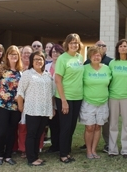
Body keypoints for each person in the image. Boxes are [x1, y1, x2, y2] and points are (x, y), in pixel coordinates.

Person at [17, 51, 55, 166]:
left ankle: (36, 156)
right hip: (32, 110)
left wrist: (52, 107)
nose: (39, 61)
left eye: (41, 59)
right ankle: (31, 158)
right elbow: (20, 92)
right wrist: (21, 107)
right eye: (36, 59)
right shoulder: (27, 74)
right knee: (31, 134)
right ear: (31, 61)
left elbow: (51, 93)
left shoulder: (47, 75)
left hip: (44, 110)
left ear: (44, 61)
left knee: (39, 135)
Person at [0, 45, 22, 166]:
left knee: (11, 132)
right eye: (11, 54)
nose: (13, 56)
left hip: (15, 107)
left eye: (16, 54)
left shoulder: (20, 70)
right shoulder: (1, 68)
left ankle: (8, 155)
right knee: (1, 132)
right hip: (1, 106)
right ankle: (0, 155)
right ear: (7, 55)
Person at [55, 33, 84, 163]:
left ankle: (67, 151)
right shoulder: (62, 58)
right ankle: (63, 154)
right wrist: (64, 101)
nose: (74, 45)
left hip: (78, 97)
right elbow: (57, 80)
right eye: (72, 42)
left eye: (76, 43)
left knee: (72, 126)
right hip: (65, 97)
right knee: (65, 127)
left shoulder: (79, 57)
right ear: (67, 44)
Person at [80, 40, 112, 153]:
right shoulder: (84, 69)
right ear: (90, 57)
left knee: (98, 127)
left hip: (103, 102)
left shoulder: (107, 69)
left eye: (98, 55)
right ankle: (88, 150)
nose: (96, 57)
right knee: (89, 127)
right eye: (94, 55)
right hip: (88, 102)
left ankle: (94, 150)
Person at [108, 39, 127, 158]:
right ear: (117, 49)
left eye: (125, 46)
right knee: (113, 124)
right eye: (120, 46)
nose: (123, 48)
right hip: (113, 97)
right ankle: (112, 149)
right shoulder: (112, 63)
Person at [44, 44, 65, 153]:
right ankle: (54, 145)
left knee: (61, 124)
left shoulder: (64, 66)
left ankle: (62, 146)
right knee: (52, 123)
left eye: (57, 52)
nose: (55, 54)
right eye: (53, 52)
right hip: (49, 99)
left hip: (60, 97)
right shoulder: (46, 67)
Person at [17, 45, 33, 158]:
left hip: (33, 102)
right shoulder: (18, 69)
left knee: (33, 127)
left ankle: (35, 147)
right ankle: (22, 148)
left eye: (29, 53)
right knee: (22, 126)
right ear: (20, 55)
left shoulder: (36, 67)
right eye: (24, 53)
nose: (26, 55)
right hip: (19, 102)